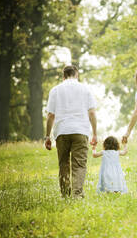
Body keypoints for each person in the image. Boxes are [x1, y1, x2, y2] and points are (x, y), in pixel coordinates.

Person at [44, 65, 98, 198]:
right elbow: (91, 112)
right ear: (77, 75)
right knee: (79, 164)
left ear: (63, 76)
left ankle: (65, 195)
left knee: (63, 164)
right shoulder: (85, 89)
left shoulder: (55, 90)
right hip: (80, 131)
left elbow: (51, 115)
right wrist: (95, 133)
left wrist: (47, 136)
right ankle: (77, 194)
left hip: (62, 131)